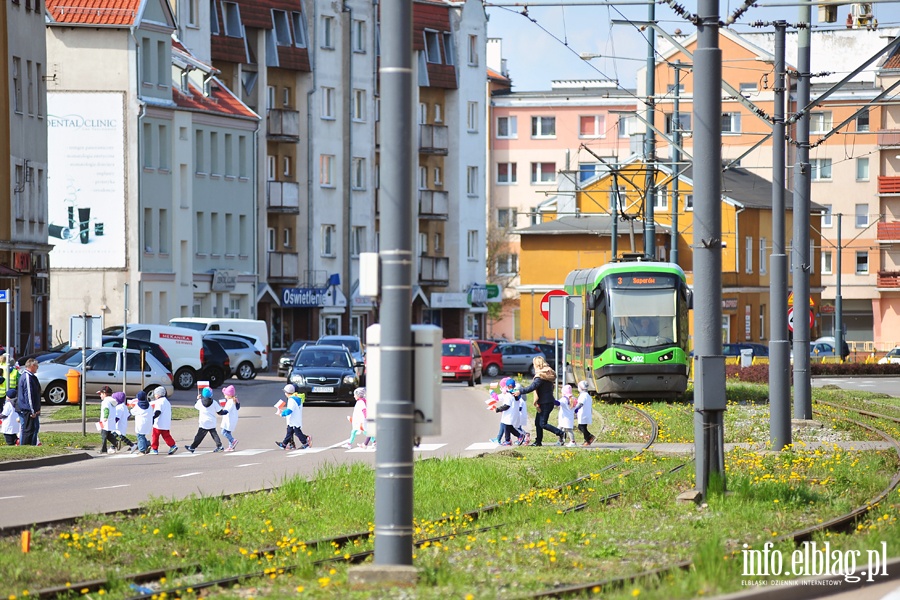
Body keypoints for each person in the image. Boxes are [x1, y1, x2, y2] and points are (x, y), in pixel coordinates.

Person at [521, 356, 564, 446]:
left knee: (542, 423)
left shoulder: (540, 377)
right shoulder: (547, 374)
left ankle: (560, 433)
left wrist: (520, 391)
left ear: (537, 365)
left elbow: (532, 387)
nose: (533, 366)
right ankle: (538, 441)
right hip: (546, 402)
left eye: (534, 364)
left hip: (546, 403)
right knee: (537, 423)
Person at [185, 387, 227, 453]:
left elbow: (196, 406)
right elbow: (220, 412)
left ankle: (192, 447)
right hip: (211, 422)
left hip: (203, 422)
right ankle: (220, 446)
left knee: (199, 436)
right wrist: (225, 411)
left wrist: (198, 399)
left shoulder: (200, 402)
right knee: (214, 435)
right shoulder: (214, 402)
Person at [277, 383, 311, 450]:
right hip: (294, 420)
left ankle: (305, 443)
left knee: (297, 432)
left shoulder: (291, 400)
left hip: (294, 420)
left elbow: (289, 410)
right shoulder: (296, 399)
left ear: (287, 393)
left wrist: (282, 414)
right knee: (289, 432)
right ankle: (284, 444)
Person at [16, 358, 41, 446]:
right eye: (36, 366)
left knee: (35, 429)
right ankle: (26, 446)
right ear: (32, 366)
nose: (37, 367)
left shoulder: (31, 376)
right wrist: (32, 411)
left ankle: (32, 445)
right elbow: (29, 395)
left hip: (32, 409)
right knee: (28, 430)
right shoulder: (27, 377)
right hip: (27, 409)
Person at [149, 386, 178, 455]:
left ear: (158, 395)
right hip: (166, 423)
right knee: (166, 436)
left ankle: (154, 449)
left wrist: (153, 418)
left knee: (155, 436)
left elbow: (158, 412)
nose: (155, 395)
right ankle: (172, 445)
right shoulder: (166, 402)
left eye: (155, 394)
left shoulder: (159, 402)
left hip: (159, 423)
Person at [98, 386, 120, 454]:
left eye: (101, 394)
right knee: (108, 435)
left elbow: (106, 409)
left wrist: (105, 417)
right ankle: (116, 442)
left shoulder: (105, 401)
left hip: (105, 421)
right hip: (111, 421)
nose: (100, 396)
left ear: (105, 394)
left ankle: (103, 449)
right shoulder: (112, 401)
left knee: (103, 435)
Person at [574, 380, 596, 446]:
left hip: (583, 414)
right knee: (583, 427)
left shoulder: (583, 396)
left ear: (580, 388)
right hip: (587, 413)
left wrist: (575, 409)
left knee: (581, 427)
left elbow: (580, 404)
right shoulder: (587, 395)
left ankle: (589, 437)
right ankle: (587, 440)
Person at [219, 384, 240, 452]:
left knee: (223, 432)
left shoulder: (230, 402)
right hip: (232, 419)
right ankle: (231, 446)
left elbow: (227, 410)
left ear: (229, 395)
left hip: (229, 419)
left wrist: (220, 412)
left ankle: (233, 441)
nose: (224, 396)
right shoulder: (233, 401)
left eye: (225, 395)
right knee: (228, 432)